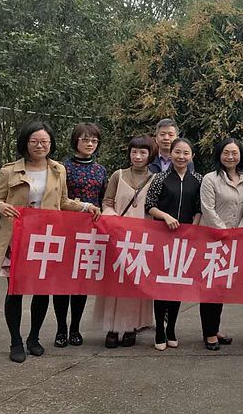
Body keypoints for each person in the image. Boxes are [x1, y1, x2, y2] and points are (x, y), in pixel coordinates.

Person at [0, 121, 100, 363]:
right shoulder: (10, 171)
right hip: (17, 239)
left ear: (51, 144)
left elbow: (63, 202)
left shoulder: (58, 169)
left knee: (41, 291)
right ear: (26, 143)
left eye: (44, 141)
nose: (39, 145)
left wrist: (86, 207)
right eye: (34, 141)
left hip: (46, 239)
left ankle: (34, 338)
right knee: (15, 291)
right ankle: (16, 341)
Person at [95, 135, 156, 349]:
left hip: (142, 240)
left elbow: (155, 207)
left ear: (150, 155)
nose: (138, 156)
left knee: (135, 285)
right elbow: (107, 201)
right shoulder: (118, 175)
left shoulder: (155, 179)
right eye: (134, 152)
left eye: (143, 152)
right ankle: (111, 328)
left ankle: (131, 327)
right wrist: (112, 218)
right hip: (118, 237)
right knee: (114, 283)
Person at [53, 122, 107, 348]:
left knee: (80, 282)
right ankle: (61, 329)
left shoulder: (101, 170)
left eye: (94, 140)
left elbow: (103, 200)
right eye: (85, 139)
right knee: (61, 282)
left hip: (89, 232)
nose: (90, 144)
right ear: (76, 141)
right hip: (64, 229)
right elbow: (57, 199)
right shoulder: (61, 168)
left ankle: (75, 328)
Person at [145, 138, 202, 351]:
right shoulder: (160, 178)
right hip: (162, 237)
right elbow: (149, 205)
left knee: (177, 285)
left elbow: (199, 208)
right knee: (161, 285)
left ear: (192, 156)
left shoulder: (197, 179)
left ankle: (171, 329)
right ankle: (159, 329)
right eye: (177, 152)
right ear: (170, 154)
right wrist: (166, 217)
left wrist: (193, 228)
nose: (181, 157)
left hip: (185, 239)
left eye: (186, 153)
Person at [199, 138, 243, 350]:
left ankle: (215, 327)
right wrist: (224, 232)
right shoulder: (210, 179)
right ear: (219, 155)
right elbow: (207, 209)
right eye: (226, 153)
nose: (230, 157)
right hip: (212, 240)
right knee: (210, 287)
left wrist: (240, 230)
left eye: (234, 153)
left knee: (221, 287)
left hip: (235, 240)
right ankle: (209, 333)